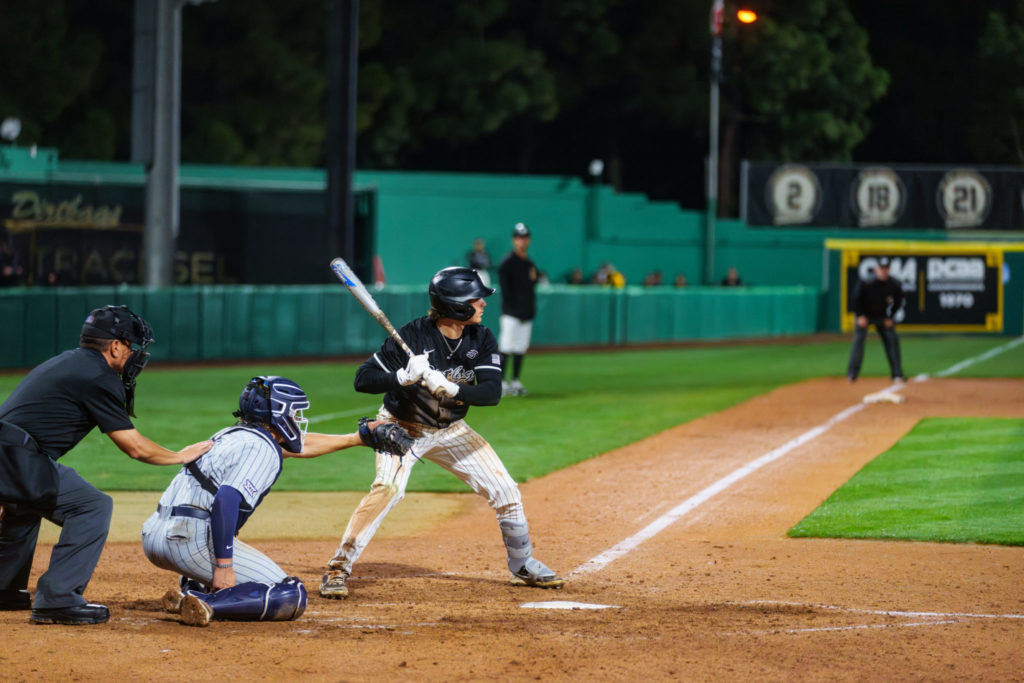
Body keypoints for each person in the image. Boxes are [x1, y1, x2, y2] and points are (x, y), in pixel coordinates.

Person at [317, 266, 563, 599]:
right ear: (457, 306)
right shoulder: (413, 336)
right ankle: (338, 568)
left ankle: (523, 564)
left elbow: (491, 392)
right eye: (476, 299)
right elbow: (363, 379)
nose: (483, 304)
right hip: (401, 427)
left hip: (451, 431)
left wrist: (452, 388)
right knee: (388, 488)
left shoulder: (481, 338)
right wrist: (401, 377)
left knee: (506, 491)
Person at [0, 305, 212, 625]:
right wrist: (181, 455)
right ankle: (57, 600)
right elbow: (135, 447)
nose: (136, 355)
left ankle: (3, 588)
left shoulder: (69, 361)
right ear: (115, 346)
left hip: (11, 452)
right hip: (17, 455)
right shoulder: (98, 375)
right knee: (91, 507)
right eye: (132, 347)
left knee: (27, 503)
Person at [143, 376, 412, 627]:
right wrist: (224, 568)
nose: (297, 419)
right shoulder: (262, 448)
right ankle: (206, 601)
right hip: (188, 544)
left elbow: (300, 446)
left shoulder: (231, 435)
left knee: (222, 551)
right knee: (290, 594)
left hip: (154, 535)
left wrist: (358, 438)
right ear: (279, 414)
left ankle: (191, 589)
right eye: (294, 412)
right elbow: (226, 500)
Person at [846, 256, 906, 384]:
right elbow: (856, 299)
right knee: (858, 340)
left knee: (892, 338)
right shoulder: (866, 282)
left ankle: (897, 373)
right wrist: (860, 315)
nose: (884, 271)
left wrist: (890, 317)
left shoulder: (894, 284)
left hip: (882, 316)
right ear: (876, 269)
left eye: (886, 268)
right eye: (881, 268)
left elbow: (898, 302)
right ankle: (852, 373)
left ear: (889, 269)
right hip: (865, 315)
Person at [498, 222, 539, 397]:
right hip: (511, 313)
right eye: (519, 237)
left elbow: (530, 287)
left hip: (526, 313)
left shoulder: (529, 263)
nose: (522, 241)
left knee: (520, 348)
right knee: (506, 347)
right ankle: (499, 383)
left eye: (525, 237)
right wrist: (513, 309)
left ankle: (515, 381)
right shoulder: (507, 263)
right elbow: (506, 291)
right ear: (514, 240)